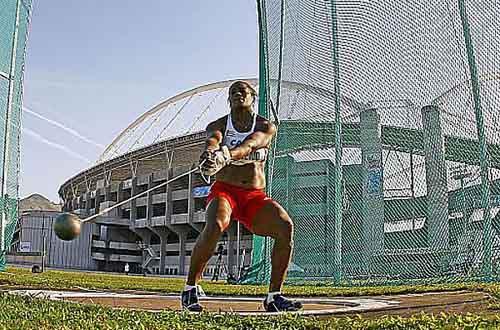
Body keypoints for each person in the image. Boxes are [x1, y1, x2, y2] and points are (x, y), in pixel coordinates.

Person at [181, 80, 301, 312]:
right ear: (228, 99)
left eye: (243, 91)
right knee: (216, 224)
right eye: (233, 92)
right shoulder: (218, 124)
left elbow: (251, 144)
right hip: (225, 190)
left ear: (252, 97)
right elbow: (212, 140)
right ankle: (190, 290)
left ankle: (274, 296)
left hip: (253, 196)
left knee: (285, 226)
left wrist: (228, 156)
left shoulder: (266, 125)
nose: (238, 94)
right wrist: (209, 155)